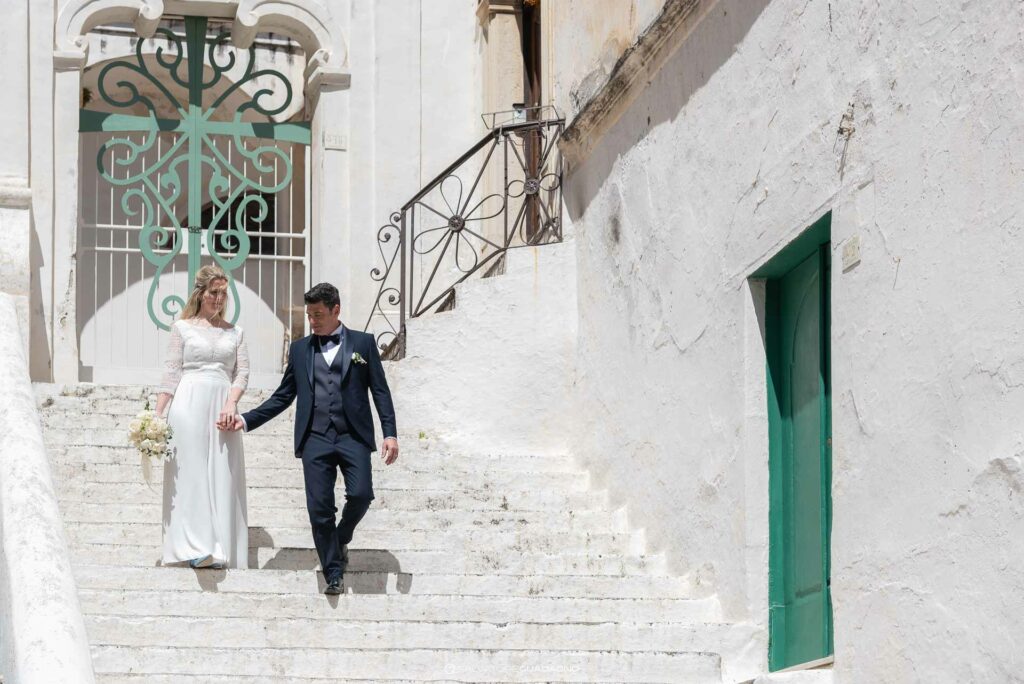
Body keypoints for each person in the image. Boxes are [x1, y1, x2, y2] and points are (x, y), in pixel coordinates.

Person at [224, 282, 398, 594]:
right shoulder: (301, 349)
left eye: (318, 314)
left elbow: (380, 392)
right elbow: (283, 396)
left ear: (336, 310)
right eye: (310, 315)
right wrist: (247, 419)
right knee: (319, 508)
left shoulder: (364, 343)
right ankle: (332, 572)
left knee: (361, 494)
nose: (313, 320)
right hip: (315, 437)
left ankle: (340, 537)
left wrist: (390, 433)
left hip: (353, 436)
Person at [155, 265, 249, 569]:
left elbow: (242, 373)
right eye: (214, 293)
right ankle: (193, 546)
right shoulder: (182, 328)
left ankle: (220, 545)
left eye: (223, 293)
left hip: (222, 406)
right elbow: (171, 372)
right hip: (188, 402)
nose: (219, 299)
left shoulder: (236, 332)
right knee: (191, 473)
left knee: (222, 472)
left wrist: (231, 404)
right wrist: (157, 415)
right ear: (201, 293)